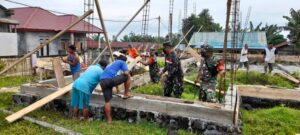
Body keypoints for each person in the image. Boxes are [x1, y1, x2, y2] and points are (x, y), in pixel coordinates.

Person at [100, 51, 132, 124]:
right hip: (109, 80)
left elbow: (113, 77)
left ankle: (109, 120)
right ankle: (126, 94)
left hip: (102, 81)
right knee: (128, 77)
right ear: (124, 60)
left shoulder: (111, 64)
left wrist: (117, 89)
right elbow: (126, 73)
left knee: (107, 101)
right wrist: (125, 72)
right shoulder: (122, 62)